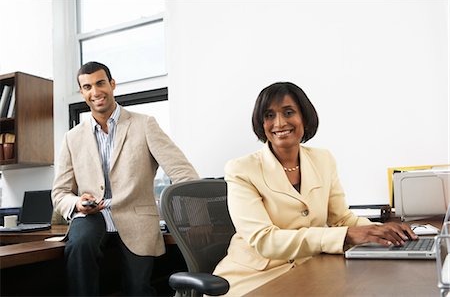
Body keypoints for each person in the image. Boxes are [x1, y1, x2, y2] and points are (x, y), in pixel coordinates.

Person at [212, 82, 417, 296]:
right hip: (255, 278)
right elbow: (264, 240)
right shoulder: (241, 169)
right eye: (269, 115)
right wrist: (346, 235)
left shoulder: (322, 159)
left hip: (309, 268)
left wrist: (381, 233)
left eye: (288, 112)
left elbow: (342, 219)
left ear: (304, 117)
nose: (279, 123)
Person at [52, 61, 199, 296]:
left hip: (136, 217)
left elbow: (183, 172)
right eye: (87, 87)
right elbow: (60, 193)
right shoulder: (72, 138)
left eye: (100, 83)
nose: (95, 92)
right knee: (79, 246)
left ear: (112, 85)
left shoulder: (144, 124)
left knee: (137, 290)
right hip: (92, 216)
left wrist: (197, 219)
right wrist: (77, 203)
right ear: (82, 93)